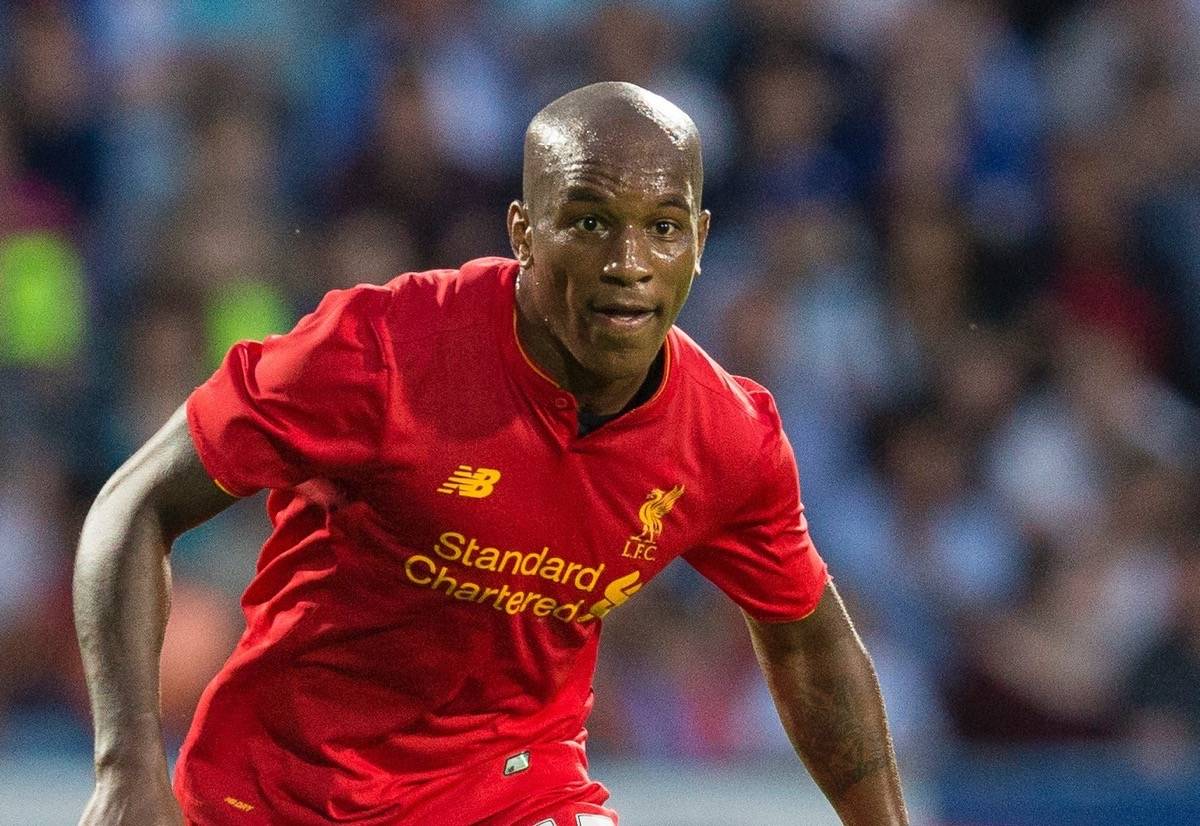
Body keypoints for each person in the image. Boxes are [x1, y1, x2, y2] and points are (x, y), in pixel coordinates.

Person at [74, 82, 908, 826]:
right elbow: (136, 504)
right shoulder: (380, 351)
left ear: (701, 238)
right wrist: (126, 770)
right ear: (523, 231)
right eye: (588, 221)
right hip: (283, 794)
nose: (628, 265)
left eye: (662, 229)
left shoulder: (728, 437)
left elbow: (807, 642)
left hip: (514, 790)